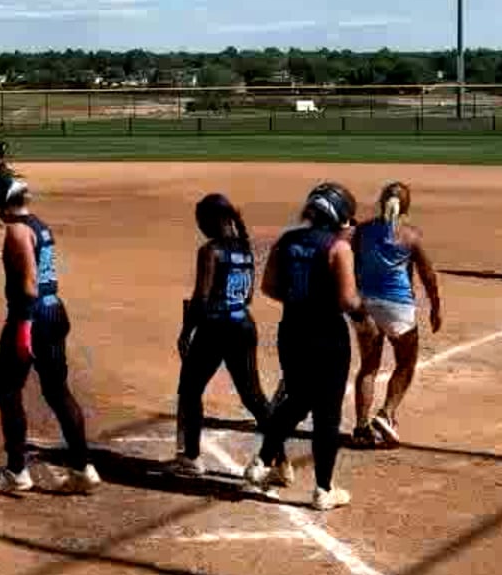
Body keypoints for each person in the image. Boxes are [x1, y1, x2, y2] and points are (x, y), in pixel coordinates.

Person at [244, 183, 364, 511]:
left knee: (297, 399)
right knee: (327, 414)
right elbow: (347, 299)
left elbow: (269, 287)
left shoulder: (287, 241)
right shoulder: (338, 248)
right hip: (327, 336)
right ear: (340, 216)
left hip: (292, 331)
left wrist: (299, 299)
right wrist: (364, 311)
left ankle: (263, 460)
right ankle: (324, 489)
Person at [0, 175, 98, 493]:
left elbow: (29, 284)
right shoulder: (40, 226)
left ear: (0, 204)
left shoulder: (16, 231)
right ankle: (82, 468)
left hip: (31, 317)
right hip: (53, 311)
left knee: (8, 393)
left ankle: (16, 471)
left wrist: (23, 328)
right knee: (57, 392)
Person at [173, 193, 272, 477]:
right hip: (243, 325)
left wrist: (186, 332)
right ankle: (278, 458)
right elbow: (247, 296)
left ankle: (191, 458)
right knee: (253, 396)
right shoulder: (245, 249)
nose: (201, 227)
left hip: (215, 328)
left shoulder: (210, 251)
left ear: (214, 220)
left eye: (201, 221)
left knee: (190, 390)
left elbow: (201, 298)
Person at [350, 182, 443, 450]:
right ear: (407, 206)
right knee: (406, 362)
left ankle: (361, 428)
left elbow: (351, 261)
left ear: (381, 202)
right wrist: (436, 306)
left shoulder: (363, 231)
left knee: (368, 367)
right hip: (398, 307)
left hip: (365, 304)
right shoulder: (410, 236)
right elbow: (428, 275)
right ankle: (387, 413)